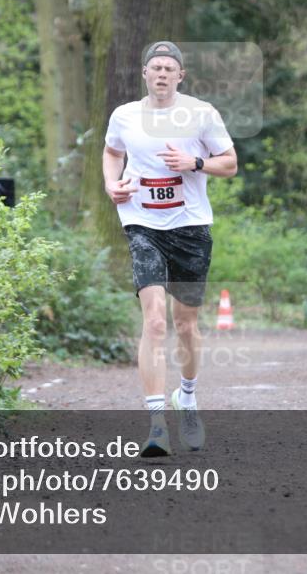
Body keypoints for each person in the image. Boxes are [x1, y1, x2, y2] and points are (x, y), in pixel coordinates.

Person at [103, 41, 238, 457]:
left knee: (185, 325)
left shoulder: (201, 113)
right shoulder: (125, 116)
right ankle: (157, 424)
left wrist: (194, 164)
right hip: (142, 224)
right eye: (155, 67)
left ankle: (189, 398)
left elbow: (230, 163)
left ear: (181, 76)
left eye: (169, 68)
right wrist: (112, 185)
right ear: (144, 73)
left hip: (191, 227)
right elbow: (112, 152)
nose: (161, 73)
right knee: (156, 321)